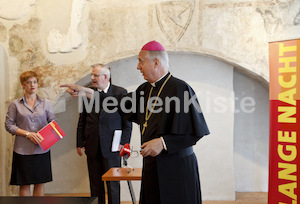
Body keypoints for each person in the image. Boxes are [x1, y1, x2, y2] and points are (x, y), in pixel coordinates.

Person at [61, 41, 210, 204]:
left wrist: (163, 142)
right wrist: (88, 92)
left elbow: (195, 132)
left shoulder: (181, 89)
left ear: (156, 62)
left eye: (141, 61)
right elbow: (118, 102)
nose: (138, 67)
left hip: (177, 169)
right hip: (152, 167)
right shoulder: (145, 90)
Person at [76, 64, 132, 204]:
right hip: (92, 145)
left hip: (113, 146)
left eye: (95, 75)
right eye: (92, 75)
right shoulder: (87, 93)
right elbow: (82, 120)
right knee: (95, 185)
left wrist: (124, 143)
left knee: (113, 185)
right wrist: (79, 142)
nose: (92, 78)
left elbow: (127, 122)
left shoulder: (120, 92)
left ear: (106, 77)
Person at [5, 71, 56, 196]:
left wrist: (43, 135)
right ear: (23, 85)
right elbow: (8, 125)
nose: (32, 85)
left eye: (35, 82)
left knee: (40, 182)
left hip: (41, 149)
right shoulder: (15, 104)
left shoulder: (46, 103)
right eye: (29, 82)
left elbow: (53, 123)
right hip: (22, 149)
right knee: (25, 183)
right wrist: (28, 134)